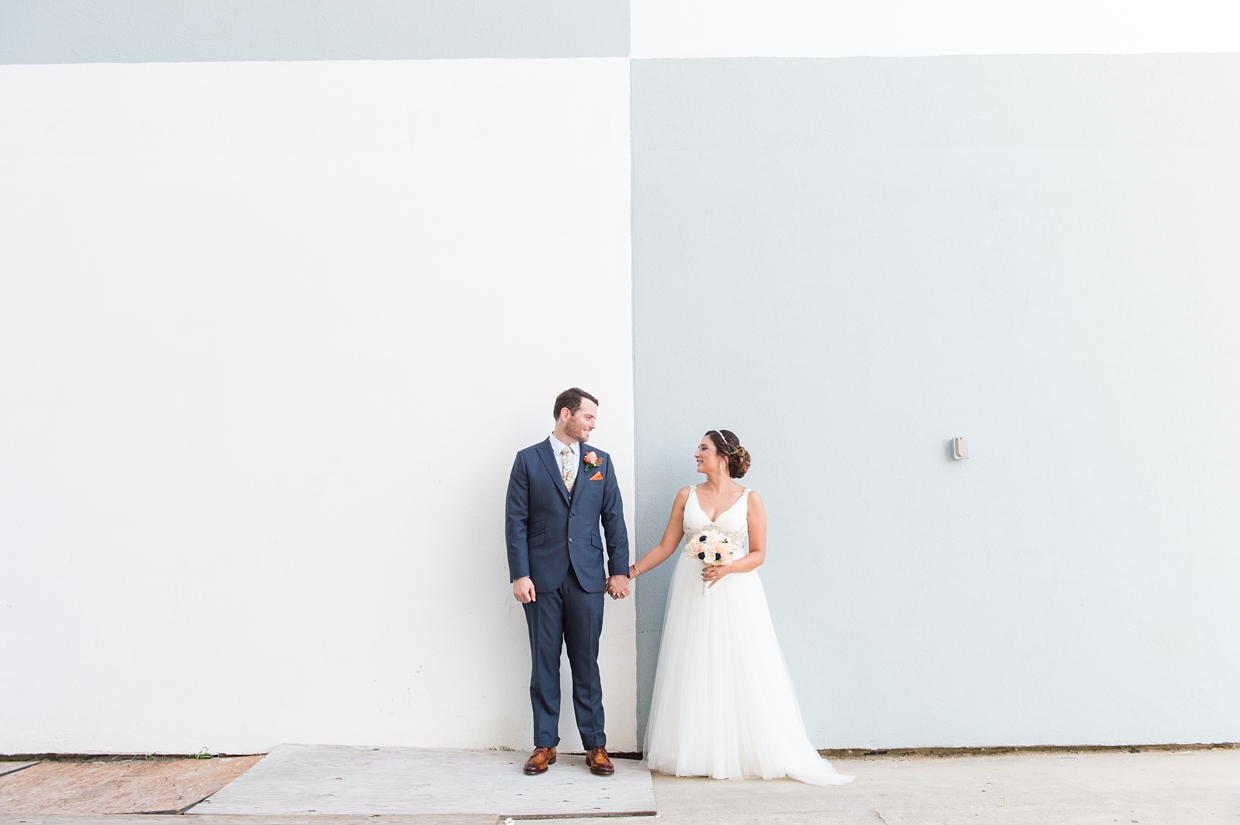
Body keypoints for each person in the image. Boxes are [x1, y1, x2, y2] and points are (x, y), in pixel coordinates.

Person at [630, 429, 853, 785]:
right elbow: (666, 545)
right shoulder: (686, 495)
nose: (696, 454)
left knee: (740, 662)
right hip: (693, 587)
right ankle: (696, 750)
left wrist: (728, 567)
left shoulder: (751, 499)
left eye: (703, 448)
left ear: (722, 455)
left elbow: (759, 553)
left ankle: (741, 751)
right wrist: (630, 573)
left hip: (736, 590)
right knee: (694, 662)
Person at [505, 388, 631, 777]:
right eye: (589, 417)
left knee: (586, 663)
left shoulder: (600, 462)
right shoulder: (528, 460)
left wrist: (620, 570)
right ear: (566, 414)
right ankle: (545, 744)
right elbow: (516, 521)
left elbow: (613, 519)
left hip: (588, 578)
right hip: (540, 580)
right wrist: (520, 573)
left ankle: (596, 745)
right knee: (544, 663)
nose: (594, 424)